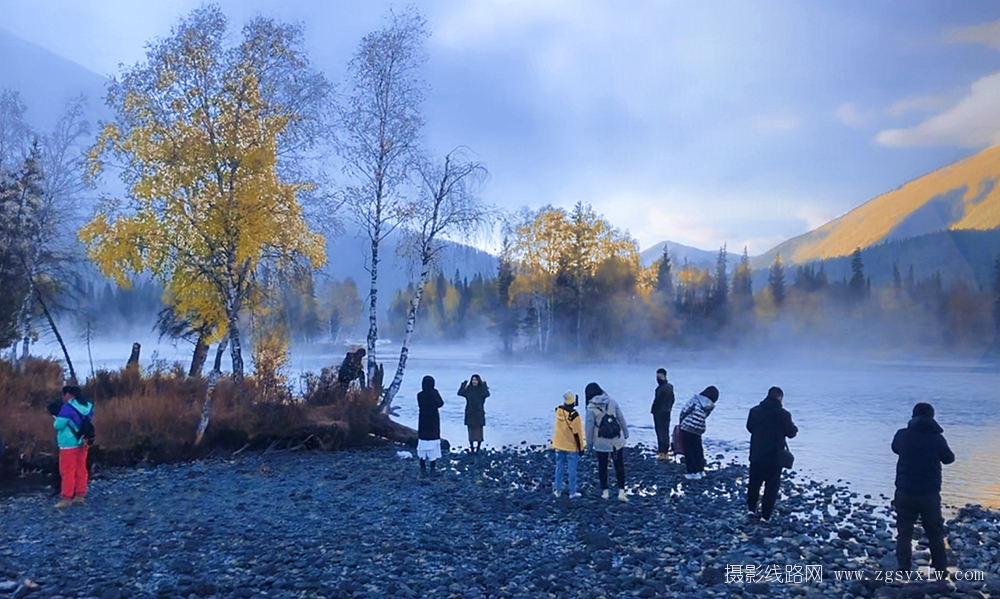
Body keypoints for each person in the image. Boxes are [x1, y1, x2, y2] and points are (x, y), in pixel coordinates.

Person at [892, 402, 954, 576]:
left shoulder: (902, 435)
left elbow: (895, 449)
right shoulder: (937, 438)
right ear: (932, 417)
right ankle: (941, 570)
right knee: (935, 532)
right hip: (929, 494)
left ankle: (903, 568)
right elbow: (949, 459)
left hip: (904, 492)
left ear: (913, 416)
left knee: (904, 532)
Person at [746, 386, 798, 522]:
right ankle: (766, 515)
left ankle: (751, 509)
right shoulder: (784, 414)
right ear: (780, 398)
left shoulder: (755, 411)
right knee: (771, 486)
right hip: (775, 456)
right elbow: (791, 433)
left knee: (754, 483)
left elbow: (749, 428)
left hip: (757, 454)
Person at [584, 382, 629, 501]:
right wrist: (626, 432)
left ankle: (605, 492)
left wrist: (589, 444)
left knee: (602, 466)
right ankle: (621, 491)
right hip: (616, 440)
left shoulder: (591, 408)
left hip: (601, 442)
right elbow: (621, 418)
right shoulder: (612, 401)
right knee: (619, 465)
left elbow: (589, 427)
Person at [52, 385, 93, 507]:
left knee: (67, 470)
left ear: (69, 395)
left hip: (68, 443)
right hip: (84, 441)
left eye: (64, 395)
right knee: (81, 468)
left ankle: (66, 498)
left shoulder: (67, 408)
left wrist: (56, 417)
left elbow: (57, 425)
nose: (63, 397)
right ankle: (80, 495)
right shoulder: (88, 406)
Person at [677, 385, 719, 480]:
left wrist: (681, 422)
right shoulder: (710, 405)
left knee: (689, 450)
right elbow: (704, 416)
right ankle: (700, 470)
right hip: (699, 428)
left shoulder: (696, 399)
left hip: (687, 427)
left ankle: (692, 472)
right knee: (697, 449)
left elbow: (685, 410)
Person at [551, 391, 586, 498]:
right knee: (572, 470)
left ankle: (557, 490)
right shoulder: (574, 416)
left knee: (559, 467)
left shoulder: (559, 411)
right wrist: (581, 447)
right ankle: (572, 492)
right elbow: (578, 433)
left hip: (558, 444)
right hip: (570, 446)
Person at [416, 375, 444, 476]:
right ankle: (432, 468)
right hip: (433, 421)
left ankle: (422, 468)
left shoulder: (420, 395)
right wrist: (435, 392)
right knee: (433, 445)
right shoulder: (434, 394)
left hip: (423, 420)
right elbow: (440, 403)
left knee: (423, 444)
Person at [458, 374, 490, 452]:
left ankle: (478, 448)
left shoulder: (481, 390)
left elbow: (487, 394)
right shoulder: (469, 389)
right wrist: (463, 385)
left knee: (479, 430)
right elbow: (460, 393)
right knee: (471, 430)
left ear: (478, 381)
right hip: (470, 412)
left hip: (479, 412)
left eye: (475, 380)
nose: (474, 381)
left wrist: (484, 385)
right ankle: (472, 447)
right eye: (473, 380)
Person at [651, 368, 675, 459]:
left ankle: (662, 451)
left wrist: (655, 409)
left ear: (664, 376)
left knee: (660, 431)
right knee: (665, 430)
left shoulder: (663, 388)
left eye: (660, 376)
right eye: (657, 376)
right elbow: (672, 400)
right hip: (666, 411)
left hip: (660, 412)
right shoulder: (668, 387)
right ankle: (664, 450)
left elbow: (658, 401)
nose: (658, 378)